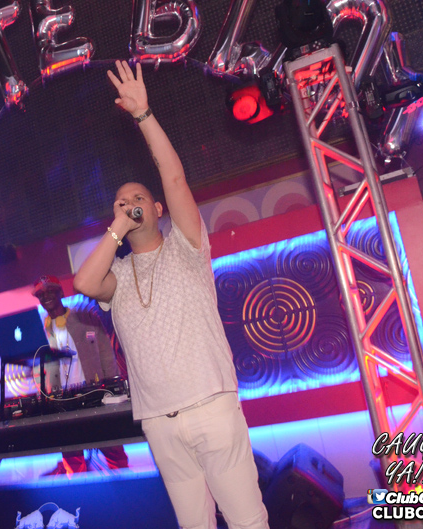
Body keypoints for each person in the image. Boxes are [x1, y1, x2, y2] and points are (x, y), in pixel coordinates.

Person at [73, 61, 269, 529]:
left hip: (210, 406)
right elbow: (83, 284)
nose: (129, 205)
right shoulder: (118, 276)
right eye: (121, 202)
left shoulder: (187, 245)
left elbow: (175, 178)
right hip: (159, 422)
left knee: (247, 522)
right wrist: (117, 226)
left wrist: (143, 116)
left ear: (157, 208)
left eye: (138, 198)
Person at [32, 275, 129, 475]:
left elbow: (106, 354)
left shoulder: (85, 318)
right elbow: (38, 369)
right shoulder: (39, 330)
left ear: (61, 292)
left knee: (112, 446)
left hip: (94, 395)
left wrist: (112, 388)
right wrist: (45, 396)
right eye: (41, 294)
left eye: (50, 291)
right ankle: (79, 490)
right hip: (62, 402)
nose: (46, 296)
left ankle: (126, 483)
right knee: (71, 454)